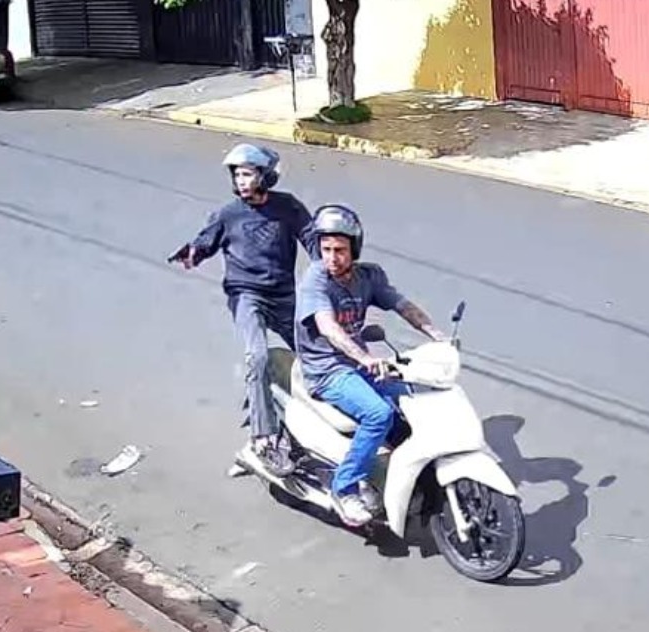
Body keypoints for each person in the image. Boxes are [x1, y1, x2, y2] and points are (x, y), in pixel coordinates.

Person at [294, 204, 447, 526]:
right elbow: (328, 327)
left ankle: (396, 474)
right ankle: (344, 488)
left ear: (355, 248)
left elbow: (401, 305)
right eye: (326, 249)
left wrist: (437, 336)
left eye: (340, 250)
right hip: (327, 369)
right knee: (379, 414)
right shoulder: (315, 280)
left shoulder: (369, 276)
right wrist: (365, 358)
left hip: (359, 363)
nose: (332, 258)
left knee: (418, 397)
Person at [172, 143, 318, 476]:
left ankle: (318, 430)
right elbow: (205, 241)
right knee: (258, 356)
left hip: (284, 295)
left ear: (265, 176)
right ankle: (262, 441)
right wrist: (193, 252)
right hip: (246, 295)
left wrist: (328, 269)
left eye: (248, 173)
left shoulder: (288, 207)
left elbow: (312, 240)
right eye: (237, 174)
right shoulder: (228, 214)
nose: (241, 181)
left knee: (317, 352)